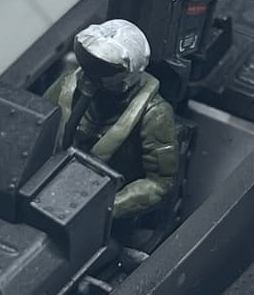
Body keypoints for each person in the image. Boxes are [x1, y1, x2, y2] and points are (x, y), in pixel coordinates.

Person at [47, 19, 182, 233]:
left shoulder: (154, 115)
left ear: (127, 75)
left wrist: (106, 209)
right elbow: (37, 123)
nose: (90, 76)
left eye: (103, 70)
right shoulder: (68, 88)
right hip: (53, 185)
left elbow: (159, 183)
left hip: (108, 213)